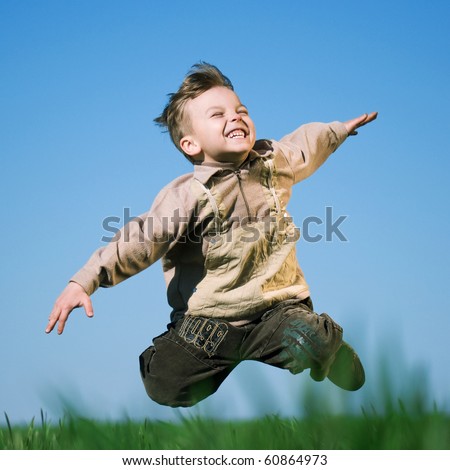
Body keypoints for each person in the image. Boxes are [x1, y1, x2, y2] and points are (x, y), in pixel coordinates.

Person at [46, 63, 377, 407]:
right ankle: (172, 347)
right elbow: (140, 239)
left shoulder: (272, 161)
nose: (235, 118)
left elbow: (305, 145)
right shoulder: (186, 196)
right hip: (210, 326)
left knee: (311, 340)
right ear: (190, 144)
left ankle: (330, 352)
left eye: (240, 111)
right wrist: (84, 281)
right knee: (164, 386)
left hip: (278, 311)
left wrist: (337, 131)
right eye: (217, 115)